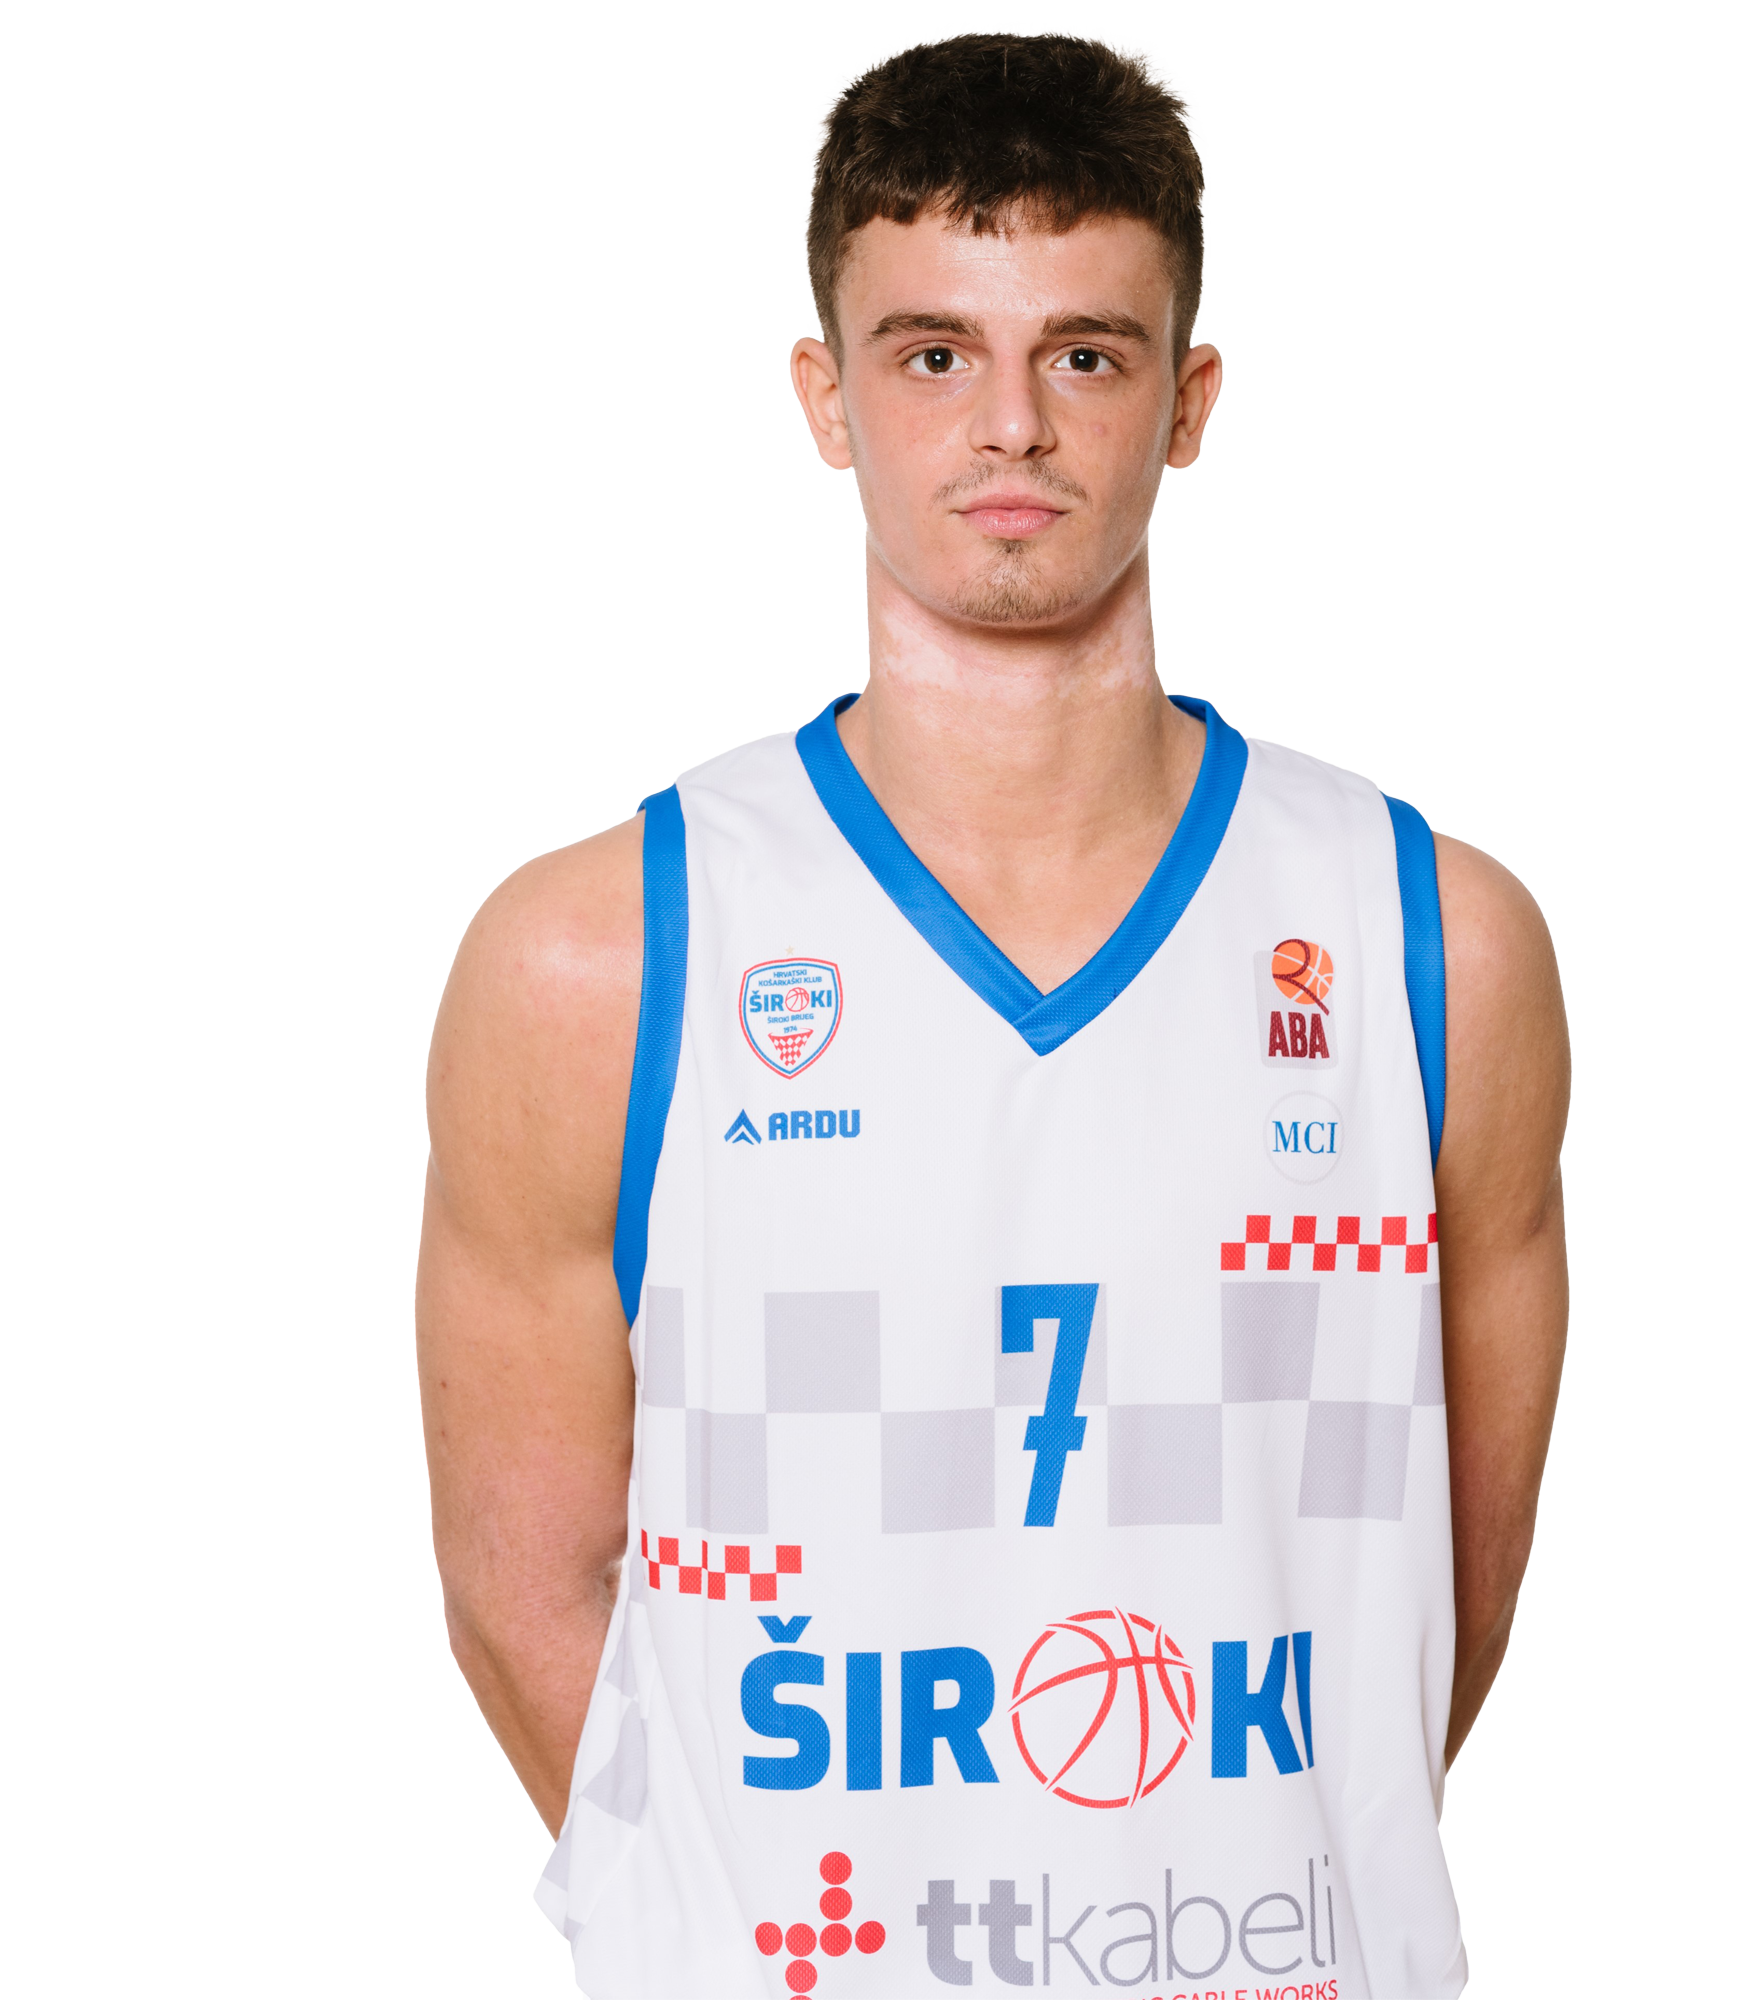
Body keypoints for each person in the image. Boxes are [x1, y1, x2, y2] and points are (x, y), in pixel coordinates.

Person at [418, 30, 1568, 1999]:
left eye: (1088, 355)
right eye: (934, 352)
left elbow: (1425, 1612)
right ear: (828, 395)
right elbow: (521, 1590)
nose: (1012, 424)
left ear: (1188, 400)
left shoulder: (1427, 946)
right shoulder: (597, 957)